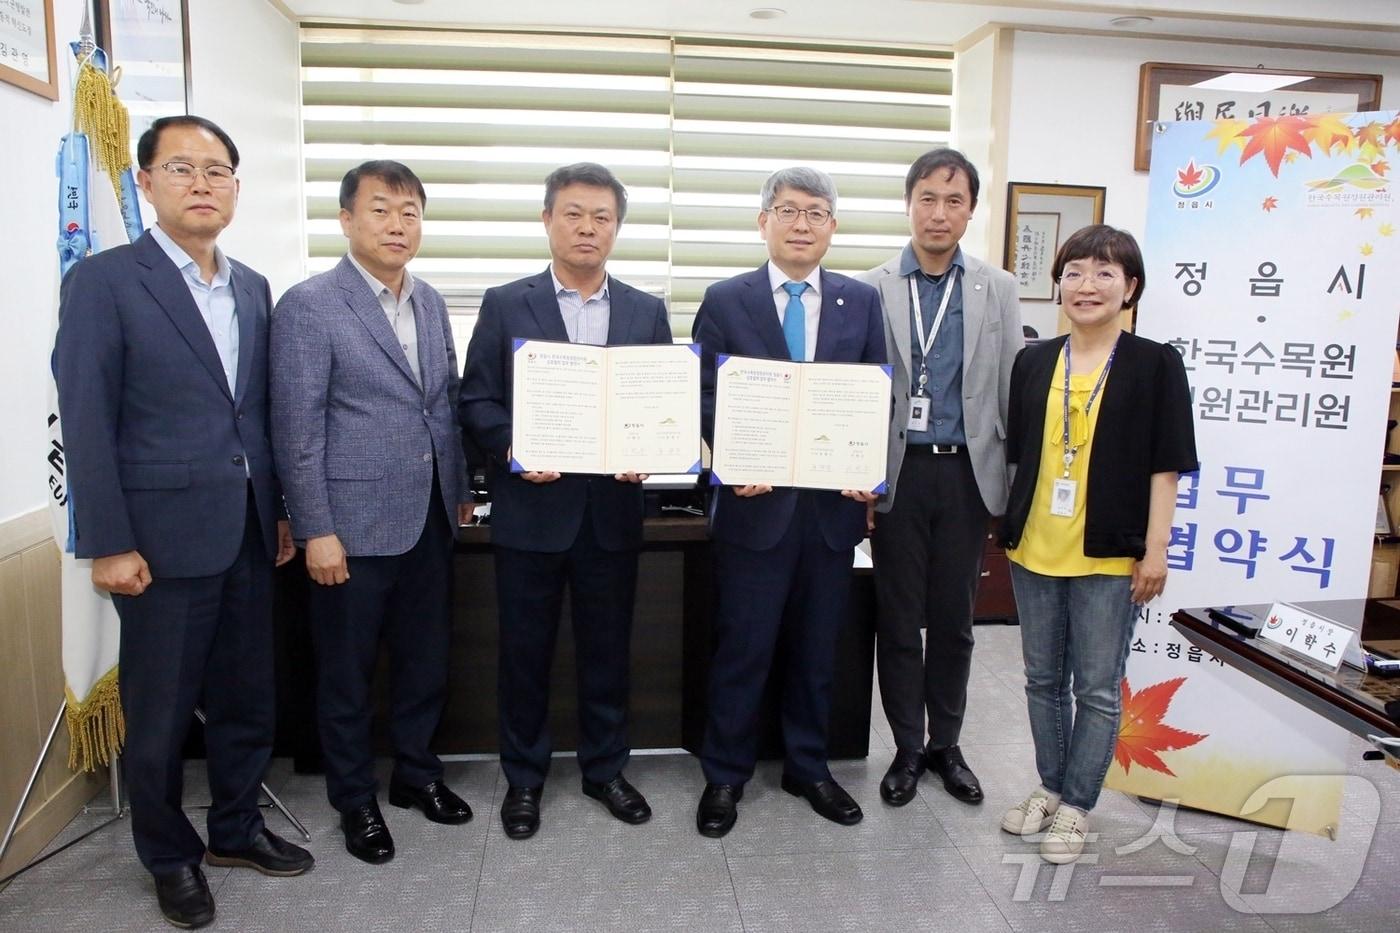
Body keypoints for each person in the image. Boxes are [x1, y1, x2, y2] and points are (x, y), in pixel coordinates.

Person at [53, 115, 311, 929]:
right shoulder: (104, 281)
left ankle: (235, 826)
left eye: (218, 171)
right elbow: (86, 417)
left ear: (236, 186)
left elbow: (256, 416)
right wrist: (108, 541)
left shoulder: (251, 287)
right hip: (154, 543)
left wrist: (276, 511)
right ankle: (168, 854)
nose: (202, 184)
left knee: (246, 698)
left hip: (243, 529)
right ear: (145, 183)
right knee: (160, 709)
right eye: (182, 169)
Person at [459, 162, 671, 840]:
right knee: (524, 653)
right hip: (532, 514)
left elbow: (659, 402)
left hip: (611, 514)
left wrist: (653, 449)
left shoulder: (645, 309)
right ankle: (524, 780)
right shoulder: (505, 302)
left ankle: (606, 769)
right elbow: (477, 400)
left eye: (602, 216)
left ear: (617, 227)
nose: (587, 227)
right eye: (573, 212)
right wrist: (519, 444)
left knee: (609, 651)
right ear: (547, 219)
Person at [271, 160, 474, 865]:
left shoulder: (429, 300)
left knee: (425, 663)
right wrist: (317, 527)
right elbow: (297, 429)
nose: (398, 224)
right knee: (347, 675)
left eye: (411, 211)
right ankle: (354, 799)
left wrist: (464, 490)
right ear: (347, 220)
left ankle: (416, 775)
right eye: (382, 209)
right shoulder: (310, 305)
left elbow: (440, 405)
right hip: (349, 529)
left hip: (429, 517)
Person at [692, 167, 886, 838]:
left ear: (833, 226)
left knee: (816, 647)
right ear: (763, 222)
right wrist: (733, 453)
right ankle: (725, 774)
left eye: (817, 213)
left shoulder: (859, 302)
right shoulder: (726, 299)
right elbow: (702, 393)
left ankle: (809, 765)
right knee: (742, 647)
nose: (802, 224)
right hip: (755, 508)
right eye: (788, 211)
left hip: (830, 513)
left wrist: (870, 474)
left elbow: (873, 395)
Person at [998, 225, 1197, 864]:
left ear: (1130, 287)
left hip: (1110, 552)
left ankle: (1079, 805)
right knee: (1041, 680)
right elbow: (1021, 452)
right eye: (1076, 272)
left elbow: (1165, 466)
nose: (1088, 285)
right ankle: (1050, 788)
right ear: (1058, 284)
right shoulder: (1033, 359)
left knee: (1099, 688)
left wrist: (1156, 548)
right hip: (1035, 545)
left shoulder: (1154, 362)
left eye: (1105, 273)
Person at [861, 148, 1023, 808]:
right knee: (898, 618)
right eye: (928, 197)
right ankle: (904, 745)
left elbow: (1012, 387)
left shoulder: (998, 287)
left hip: (966, 474)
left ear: (970, 211)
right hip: (897, 474)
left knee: (955, 620)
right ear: (909, 204)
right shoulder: (871, 287)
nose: (939, 212)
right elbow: (862, 390)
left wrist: (1012, 490)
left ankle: (945, 743)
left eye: (954, 201)